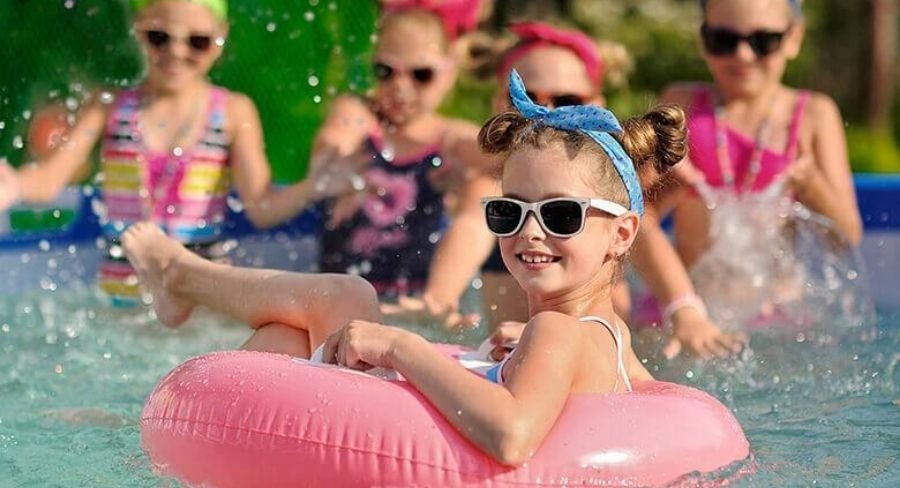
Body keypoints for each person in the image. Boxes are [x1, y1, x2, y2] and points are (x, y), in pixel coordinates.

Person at [120, 70, 681, 464]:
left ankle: (182, 276)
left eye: (561, 215)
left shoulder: (557, 331)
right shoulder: (605, 336)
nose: (529, 231)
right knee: (286, 338)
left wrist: (398, 348)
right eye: (509, 212)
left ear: (622, 232)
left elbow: (512, 436)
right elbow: (644, 395)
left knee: (344, 298)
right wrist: (526, 361)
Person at [0, 0, 325, 305]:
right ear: (137, 28)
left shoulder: (232, 112)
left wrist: (316, 185)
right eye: (159, 38)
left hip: (203, 300)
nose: (176, 52)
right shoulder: (108, 107)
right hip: (123, 298)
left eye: (197, 41)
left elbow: (262, 206)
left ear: (221, 36)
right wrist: (14, 183)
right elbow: (49, 179)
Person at [630, 0, 862, 358]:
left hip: (776, 315)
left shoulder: (814, 115)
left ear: (793, 38)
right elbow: (635, 217)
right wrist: (669, 190)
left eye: (763, 41)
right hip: (685, 308)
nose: (742, 55)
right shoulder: (683, 105)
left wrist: (811, 182)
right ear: (702, 38)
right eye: (722, 40)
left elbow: (846, 236)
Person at [384, 21, 632, 330]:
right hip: (515, 340)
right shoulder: (492, 181)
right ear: (498, 105)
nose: (545, 114)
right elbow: (472, 226)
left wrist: (681, 305)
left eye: (566, 101)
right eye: (524, 100)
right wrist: (439, 298)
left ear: (597, 107)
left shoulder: (616, 184)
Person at [302, 1, 492, 299]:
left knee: (486, 189)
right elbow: (337, 137)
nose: (401, 87)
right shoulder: (359, 115)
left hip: (411, 302)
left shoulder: (449, 140)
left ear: (449, 73)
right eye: (386, 71)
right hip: (339, 296)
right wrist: (336, 156)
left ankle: (440, 300)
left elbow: (502, 158)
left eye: (421, 75)